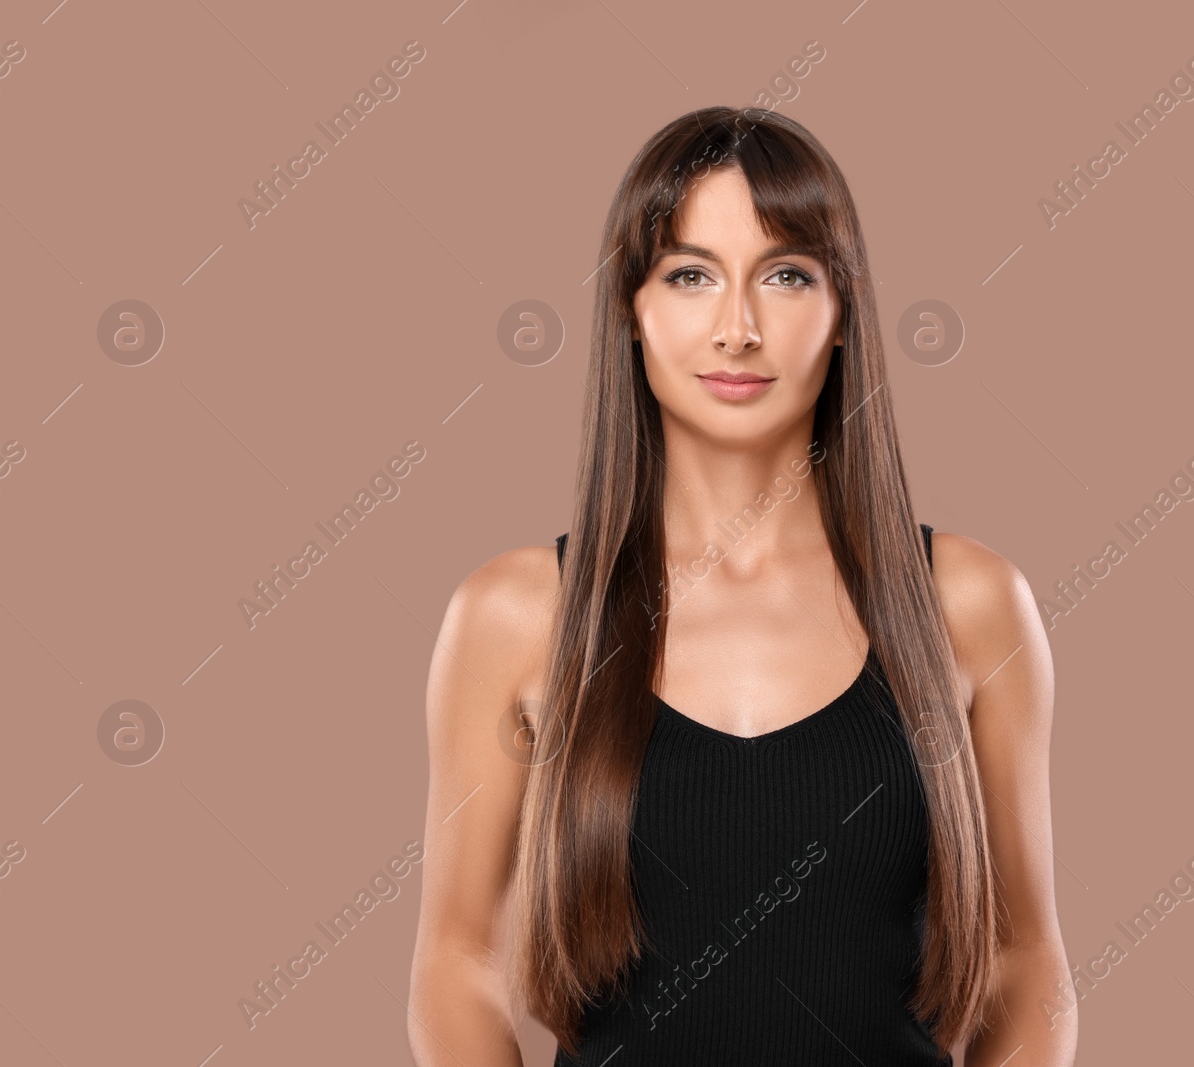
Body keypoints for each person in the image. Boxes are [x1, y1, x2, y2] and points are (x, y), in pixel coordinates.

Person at [407, 105, 1074, 1066]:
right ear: (630, 314)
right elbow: (455, 962)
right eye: (689, 276)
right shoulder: (516, 615)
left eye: (787, 275)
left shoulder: (969, 603)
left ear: (844, 316)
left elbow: (1026, 963)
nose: (738, 328)